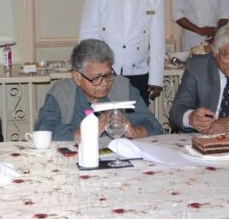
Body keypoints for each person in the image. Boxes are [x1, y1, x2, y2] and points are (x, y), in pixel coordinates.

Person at [79, 0, 165, 106]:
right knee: (103, 121)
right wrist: (89, 75)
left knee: (138, 124)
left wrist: (156, 78)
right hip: (104, 75)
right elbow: (87, 37)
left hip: (139, 74)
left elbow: (157, 42)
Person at [34, 39, 163, 142]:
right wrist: (83, 133)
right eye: (96, 78)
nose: (104, 83)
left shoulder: (122, 86)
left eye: (108, 75)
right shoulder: (62, 92)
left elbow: (155, 126)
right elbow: (43, 130)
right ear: (77, 77)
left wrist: (134, 131)